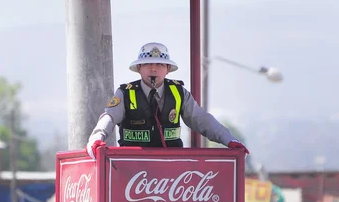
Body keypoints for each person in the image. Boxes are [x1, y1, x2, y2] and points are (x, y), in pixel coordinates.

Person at [86, 42, 249, 158]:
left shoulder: (179, 92)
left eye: (160, 64)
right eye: (147, 64)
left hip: (171, 170)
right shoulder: (125, 93)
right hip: (132, 167)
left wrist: (230, 140)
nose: (153, 68)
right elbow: (109, 116)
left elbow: (201, 119)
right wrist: (96, 139)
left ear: (168, 69)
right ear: (138, 69)